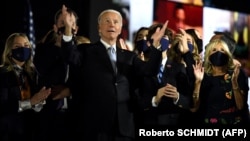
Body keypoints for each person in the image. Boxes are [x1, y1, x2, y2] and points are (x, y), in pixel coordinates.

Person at [61, 8, 168, 141]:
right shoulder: (86, 51)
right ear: (99, 28)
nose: (112, 24)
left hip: (123, 129)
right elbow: (69, 56)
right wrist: (67, 29)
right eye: (107, 21)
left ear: (120, 28)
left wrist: (156, 47)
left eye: (116, 22)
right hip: (95, 127)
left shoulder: (130, 57)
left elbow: (149, 71)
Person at [33, 5, 79, 141]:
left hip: (75, 116)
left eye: (70, 24)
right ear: (55, 28)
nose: (66, 27)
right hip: (49, 116)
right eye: (62, 23)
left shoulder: (83, 51)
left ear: (76, 29)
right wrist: (59, 47)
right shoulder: (42, 49)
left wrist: (70, 90)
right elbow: (41, 69)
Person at [0, 33, 51, 141]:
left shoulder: (32, 73)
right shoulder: (3, 74)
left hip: (30, 131)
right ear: (9, 51)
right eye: (18, 47)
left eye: (26, 46)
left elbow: (36, 104)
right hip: (9, 133)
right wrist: (30, 102)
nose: (23, 49)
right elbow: (3, 106)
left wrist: (39, 102)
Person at [191, 38, 249, 127]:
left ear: (228, 55)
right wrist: (198, 82)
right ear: (208, 55)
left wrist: (234, 83)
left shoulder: (236, 73)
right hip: (208, 125)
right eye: (214, 50)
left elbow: (240, 106)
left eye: (222, 50)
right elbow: (194, 108)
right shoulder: (202, 74)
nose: (219, 53)